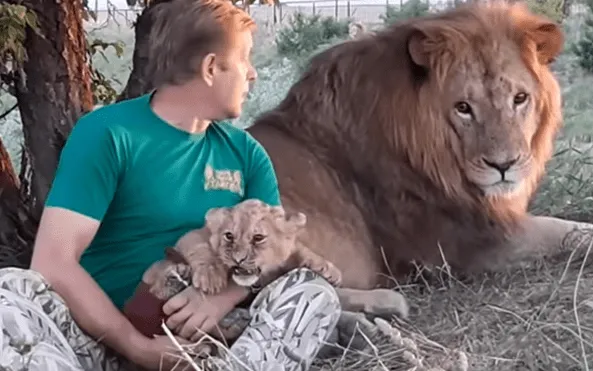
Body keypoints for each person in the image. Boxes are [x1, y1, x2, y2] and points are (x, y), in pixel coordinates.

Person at [0, 0, 342, 369]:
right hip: (98, 344)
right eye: (244, 60)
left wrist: (221, 297)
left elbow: (275, 251)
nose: (253, 74)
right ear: (211, 68)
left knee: (314, 292)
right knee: (10, 291)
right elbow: (53, 262)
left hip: (213, 347)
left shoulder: (247, 154)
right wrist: (134, 345)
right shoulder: (107, 134)